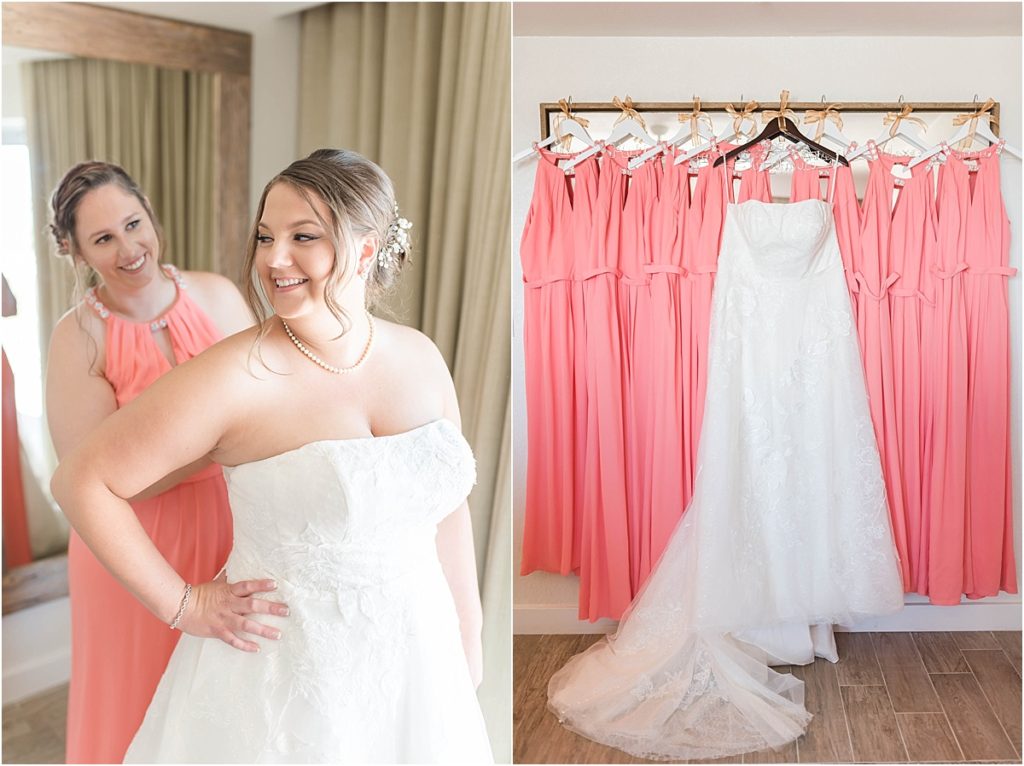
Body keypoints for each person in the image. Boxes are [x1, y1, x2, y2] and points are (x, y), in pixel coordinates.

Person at [51, 149, 492, 763]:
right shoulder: (235, 374)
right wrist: (183, 603)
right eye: (265, 237)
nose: (273, 259)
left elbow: (447, 510)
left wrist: (467, 638)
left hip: (419, 665)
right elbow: (81, 480)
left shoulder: (419, 355)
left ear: (366, 250)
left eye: (301, 237)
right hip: (286, 691)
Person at [44, 161, 253, 763]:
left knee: (224, 691)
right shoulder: (77, 337)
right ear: (75, 250)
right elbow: (94, 484)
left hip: (231, 521)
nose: (130, 248)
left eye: (134, 224)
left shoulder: (217, 294)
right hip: (133, 546)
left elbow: (266, 397)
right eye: (104, 239)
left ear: (151, 213)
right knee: (140, 698)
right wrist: (215, 446)